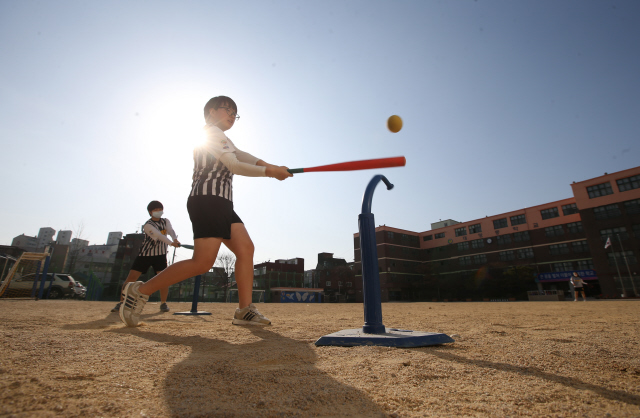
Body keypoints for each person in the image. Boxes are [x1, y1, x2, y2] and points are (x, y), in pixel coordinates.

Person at [119, 96, 292, 327]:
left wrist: (271, 166)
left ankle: (244, 310)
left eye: (235, 113)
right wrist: (270, 172)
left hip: (222, 202)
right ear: (211, 112)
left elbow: (242, 156)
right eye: (227, 109)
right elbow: (235, 165)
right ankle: (140, 290)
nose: (232, 115)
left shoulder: (223, 138)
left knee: (245, 249)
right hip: (208, 200)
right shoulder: (210, 133)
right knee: (202, 263)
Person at [111, 201, 180, 313]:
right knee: (131, 278)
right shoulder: (148, 225)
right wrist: (171, 243)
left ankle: (163, 303)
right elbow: (159, 236)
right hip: (145, 254)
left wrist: (175, 239)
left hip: (160, 255)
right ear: (150, 212)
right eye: (156, 209)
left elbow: (170, 230)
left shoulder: (165, 221)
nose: (159, 211)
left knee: (164, 279)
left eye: (160, 209)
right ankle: (121, 302)